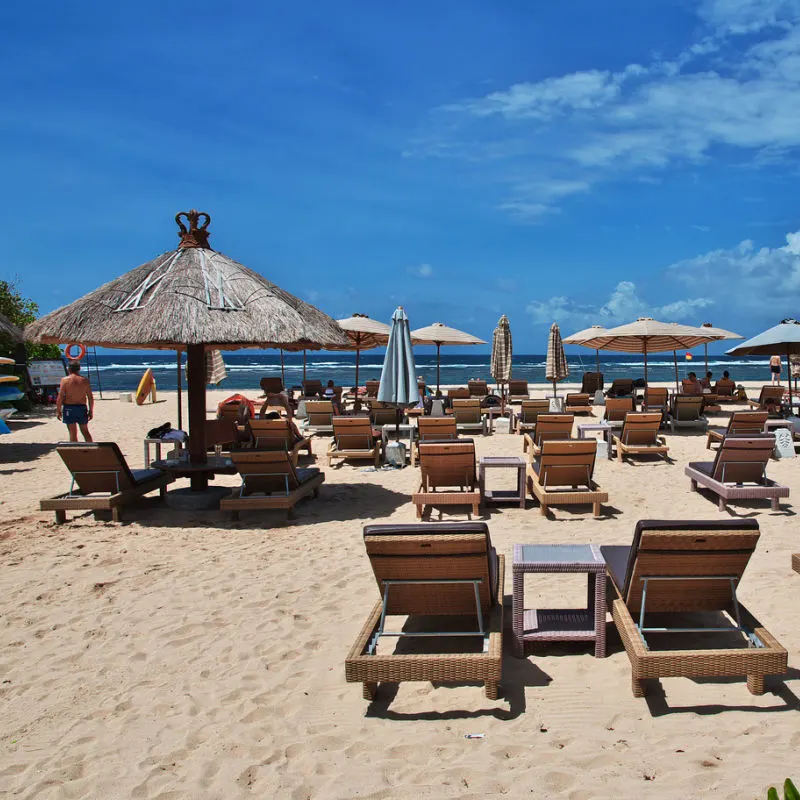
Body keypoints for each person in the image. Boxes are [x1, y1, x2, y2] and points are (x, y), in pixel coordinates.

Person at [56, 360, 94, 442]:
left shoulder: (65, 380)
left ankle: (75, 451)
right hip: (81, 407)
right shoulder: (85, 380)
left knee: (72, 433)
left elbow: (60, 396)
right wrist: (91, 411)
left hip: (69, 408)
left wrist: (58, 410)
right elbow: (90, 397)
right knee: (85, 431)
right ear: (79, 369)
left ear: (69, 369)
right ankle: (90, 450)